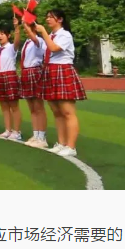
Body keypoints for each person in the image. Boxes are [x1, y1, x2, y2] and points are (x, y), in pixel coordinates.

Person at [36, 9, 87, 157]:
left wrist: (43, 32)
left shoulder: (65, 35)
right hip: (51, 70)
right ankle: (61, 143)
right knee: (57, 112)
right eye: (47, 17)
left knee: (68, 112)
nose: (47, 19)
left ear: (60, 19)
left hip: (62, 70)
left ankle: (71, 146)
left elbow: (54, 48)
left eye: (51, 17)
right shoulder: (51, 35)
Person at [14, 16, 48, 147]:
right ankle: (36, 134)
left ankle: (42, 137)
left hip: (34, 72)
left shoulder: (39, 40)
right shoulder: (27, 43)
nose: (25, 29)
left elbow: (35, 39)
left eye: (28, 26)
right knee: (32, 107)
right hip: (26, 73)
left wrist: (25, 24)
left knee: (39, 107)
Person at [0, 25, 22, 140]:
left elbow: (17, 42)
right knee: (3, 105)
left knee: (14, 106)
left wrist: (17, 29)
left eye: (2, 34)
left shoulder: (11, 48)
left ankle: (17, 131)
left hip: (9, 75)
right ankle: (7, 130)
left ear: (8, 36)